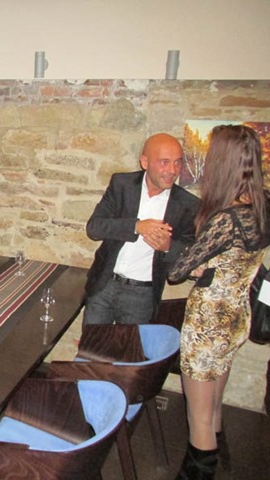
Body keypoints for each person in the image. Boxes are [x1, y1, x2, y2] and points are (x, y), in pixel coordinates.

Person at [169, 125, 269, 479]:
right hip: (236, 316)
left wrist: (195, 264)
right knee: (213, 406)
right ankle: (217, 459)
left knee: (197, 416)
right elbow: (239, 258)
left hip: (208, 322)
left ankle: (198, 471)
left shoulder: (226, 219)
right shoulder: (263, 204)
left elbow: (178, 271)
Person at [83, 133, 200, 325]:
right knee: (93, 343)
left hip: (142, 295)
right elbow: (94, 227)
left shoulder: (188, 205)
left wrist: (168, 247)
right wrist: (136, 226)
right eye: (164, 162)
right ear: (145, 162)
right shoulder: (122, 185)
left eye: (178, 163)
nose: (172, 170)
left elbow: (192, 252)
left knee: (132, 345)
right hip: (104, 285)